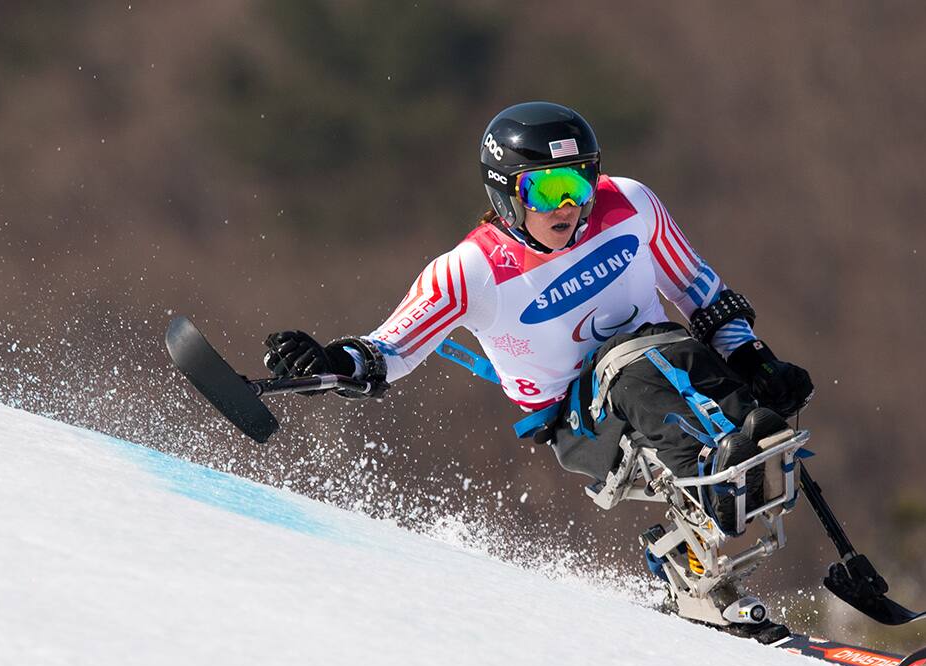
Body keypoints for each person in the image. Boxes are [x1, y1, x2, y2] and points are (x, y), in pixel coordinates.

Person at [260, 101, 814, 538]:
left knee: (677, 353)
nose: (567, 207)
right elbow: (390, 349)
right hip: (580, 420)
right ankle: (714, 461)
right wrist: (331, 363)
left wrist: (753, 357)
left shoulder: (629, 205)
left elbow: (701, 293)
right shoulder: (471, 269)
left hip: (675, 366)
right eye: (545, 190)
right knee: (636, 362)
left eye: (578, 184)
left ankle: (749, 445)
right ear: (506, 195)